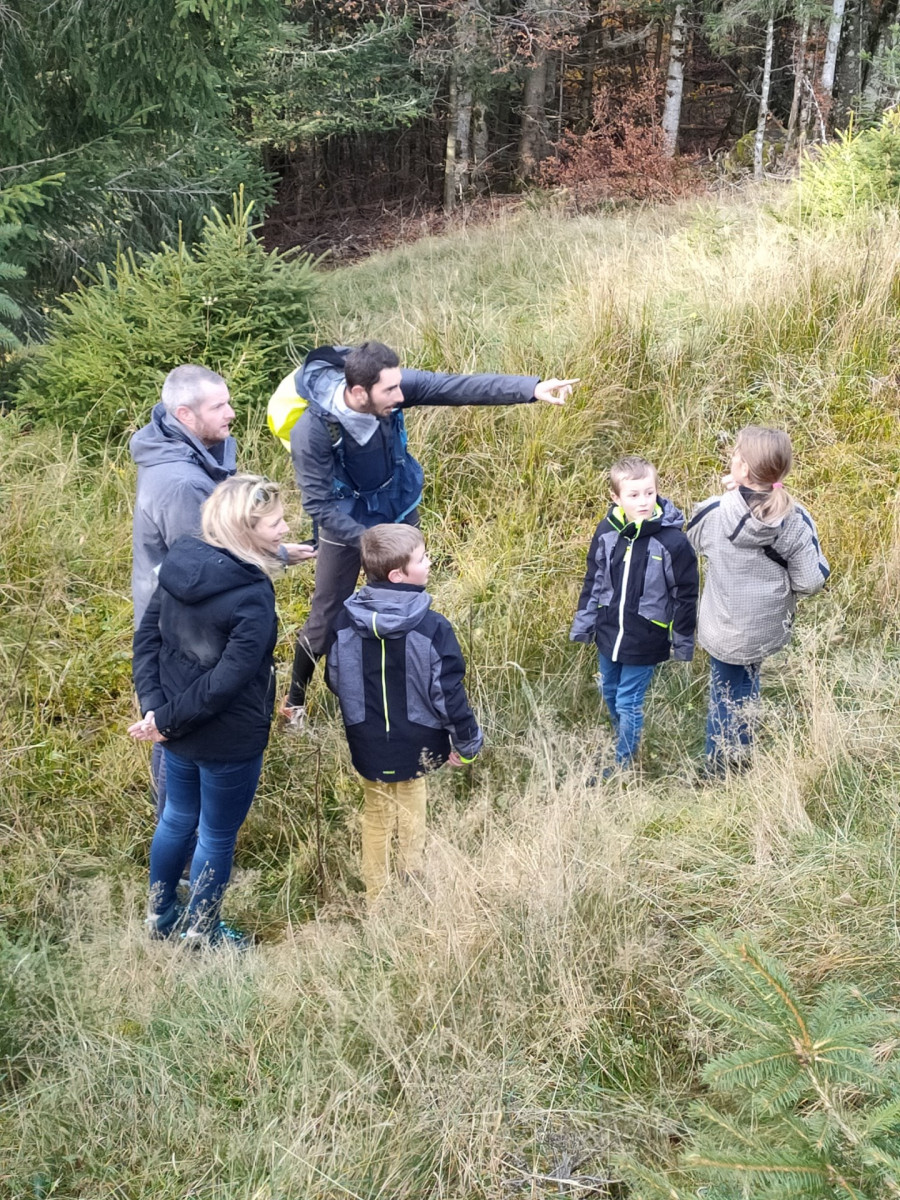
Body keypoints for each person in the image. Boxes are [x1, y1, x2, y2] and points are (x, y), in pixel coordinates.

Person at [283, 341, 577, 720]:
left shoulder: (390, 387)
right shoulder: (314, 430)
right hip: (344, 520)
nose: (401, 396)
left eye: (399, 386)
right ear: (359, 392)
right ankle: (294, 702)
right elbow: (319, 506)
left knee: (408, 601)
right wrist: (371, 543)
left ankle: (411, 690)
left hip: (396, 504)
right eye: (390, 391)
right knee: (325, 617)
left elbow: (456, 387)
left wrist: (530, 389)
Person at [131, 364, 313, 812]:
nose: (232, 412)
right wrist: (271, 561)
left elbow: (217, 556)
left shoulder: (186, 456)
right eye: (220, 406)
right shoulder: (182, 483)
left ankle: (180, 833)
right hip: (182, 629)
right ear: (185, 415)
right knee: (176, 723)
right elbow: (199, 570)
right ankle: (181, 832)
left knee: (179, 716)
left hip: (185, 619)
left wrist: (281, 553)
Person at [129, 475, 295, 948]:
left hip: (175, 727)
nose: (286, 529)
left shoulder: (181, 562)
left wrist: (158, 713)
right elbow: (228, 681)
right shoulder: (252, 593)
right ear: (245, 529)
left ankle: (159, 919)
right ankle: (203, 933)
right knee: (217, 836)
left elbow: (146, 642)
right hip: (227, 736)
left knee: (176, 820)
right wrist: (164, 719)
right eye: (276, 523)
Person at [324, 523, 483, 903]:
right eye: (422, 558)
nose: (429, 562)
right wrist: (467, 743)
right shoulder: (432, 627)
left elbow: (334, 678)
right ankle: (412, 885)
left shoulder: (344, 621)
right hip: (419, 740)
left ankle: (376, 898)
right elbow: (448, 695)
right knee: (412, 810)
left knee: (377, 813)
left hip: (367, 740)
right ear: (398, 574)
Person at [686, 426, 829, 775]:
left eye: (736, 453)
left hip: (723, 628)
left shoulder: (713, 513)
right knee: (746, 684)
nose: (732, 456)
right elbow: (811, 581)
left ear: (744, 470)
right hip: (765, 628)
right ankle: (742, 754)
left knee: (723, 696)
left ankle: (719, 769)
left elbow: (690, 541)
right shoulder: (794, 519)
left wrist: (731, 499)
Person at [570, 455, 698, 778]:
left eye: (649, 493)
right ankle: (625, 739)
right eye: (633, 495)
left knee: (628, 701)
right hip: (608, 634)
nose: (643, 502)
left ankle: (623, 764)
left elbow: (685, 595)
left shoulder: (673, 542)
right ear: (616, 498)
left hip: (646, 638)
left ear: (657, 491)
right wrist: (585, 625)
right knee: (609, 691)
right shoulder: (607, 532)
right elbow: (594, 580)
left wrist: (682, 643)